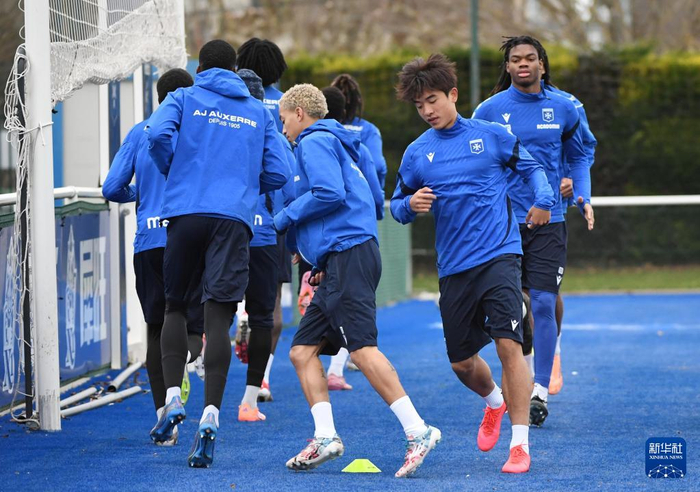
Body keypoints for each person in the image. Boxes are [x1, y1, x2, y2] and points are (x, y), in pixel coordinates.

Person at [392, 53, 555, 474]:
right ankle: (494, 403)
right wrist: (409, 204)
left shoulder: (491, 135)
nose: (427, 111)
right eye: (419, 105)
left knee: (508, 345)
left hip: (500, 254)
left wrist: (543, 199)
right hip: (453, 267)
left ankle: (519, 445)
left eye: (432, 100)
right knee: (461, 363)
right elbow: (395, 205)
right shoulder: (417, 153)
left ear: (453, 94)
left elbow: (533, 169)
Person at [275, 83, 440, 478]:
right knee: (302, 351)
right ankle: (325, 437)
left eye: (283, 120)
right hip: (343, 256)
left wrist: (285, 219)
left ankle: (418, 431)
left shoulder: (314, 141)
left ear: (299, 113)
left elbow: (329, 193)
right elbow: (362, 196)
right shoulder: (343, 142)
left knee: (363, 350)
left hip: (349, 254)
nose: (282, 129)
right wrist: (321, 255)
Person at [146, 39, 291, 468]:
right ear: (233, 69)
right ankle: (211, 413)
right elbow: (280, 171)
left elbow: (157, 135)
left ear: (201, 68)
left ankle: (172, 399)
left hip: (186, 212)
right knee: (219, 316)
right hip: (233, 219)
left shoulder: (183, 97)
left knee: (175, 307)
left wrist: (175, 170)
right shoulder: (256, 110)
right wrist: (243, 185)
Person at [472, 35, 594, 427]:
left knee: (542, 302)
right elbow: (474, 159)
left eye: (530, 58)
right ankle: (523, 373)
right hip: (502, 222)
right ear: (507, 66)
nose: (523, 64)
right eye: (516, 59)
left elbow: (580, 154)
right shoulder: (489, 110)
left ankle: (539, 389)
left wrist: (581, 192)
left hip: (548, 220)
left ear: (542, 64)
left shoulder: (564, 107)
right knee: (514, 306)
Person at [102, 68, 203, 446]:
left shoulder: (139, 132)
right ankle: (187, 362)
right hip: (189, 238)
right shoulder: (199, 131)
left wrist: (139, 195)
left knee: (156, 330)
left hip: (148, 242)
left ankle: (165, 421)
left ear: (159, 97)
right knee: (193, 326)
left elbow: (111, 188)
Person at [234, 68, 295, 421]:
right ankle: (254, 393)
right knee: (268, 312)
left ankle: (197, 360)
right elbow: (288, 182)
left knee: (213, 307)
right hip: (267, 232)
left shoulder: (217, 126)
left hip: (225, 228)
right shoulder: (273, 123)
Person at [321, 86, 384, 391]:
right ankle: (337, 367)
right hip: (353, 237)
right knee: (355, 323)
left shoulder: (307, 141)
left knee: (307, 334)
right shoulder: (364, 136)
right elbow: (376, 175)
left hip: (318, 240)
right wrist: (376, 211)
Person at [332, 73, 388, 195]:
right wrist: (377, 193)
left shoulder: (322, 128)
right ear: (357, 101)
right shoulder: (369, 130)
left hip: (332, 195)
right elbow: (378, 166)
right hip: (362, 197)